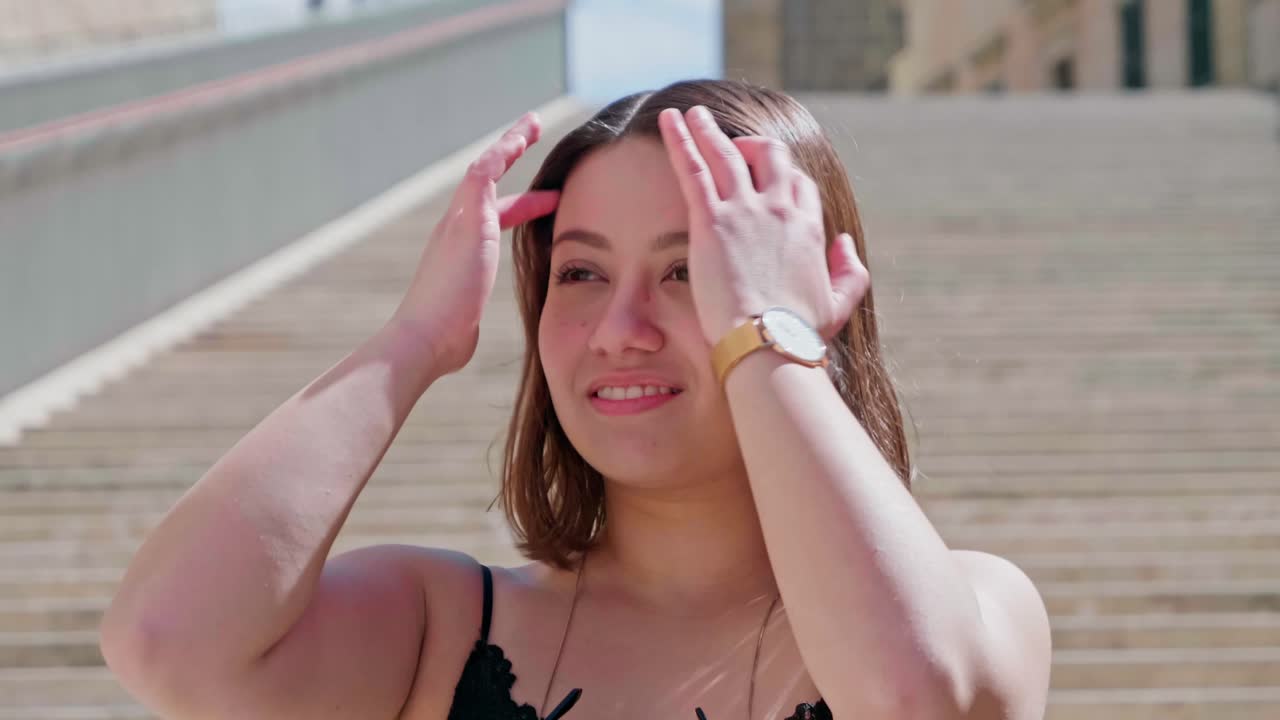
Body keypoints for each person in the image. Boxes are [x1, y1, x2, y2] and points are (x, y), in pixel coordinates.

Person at [99, 79, 1052, 719]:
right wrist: (418, 341)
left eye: (690, 270)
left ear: (813, 293)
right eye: (581, 274)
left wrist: (764, 332)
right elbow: (166, 641)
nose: (619, 328)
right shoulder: (445, 626)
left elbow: (915, 696)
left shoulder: (975, 602)